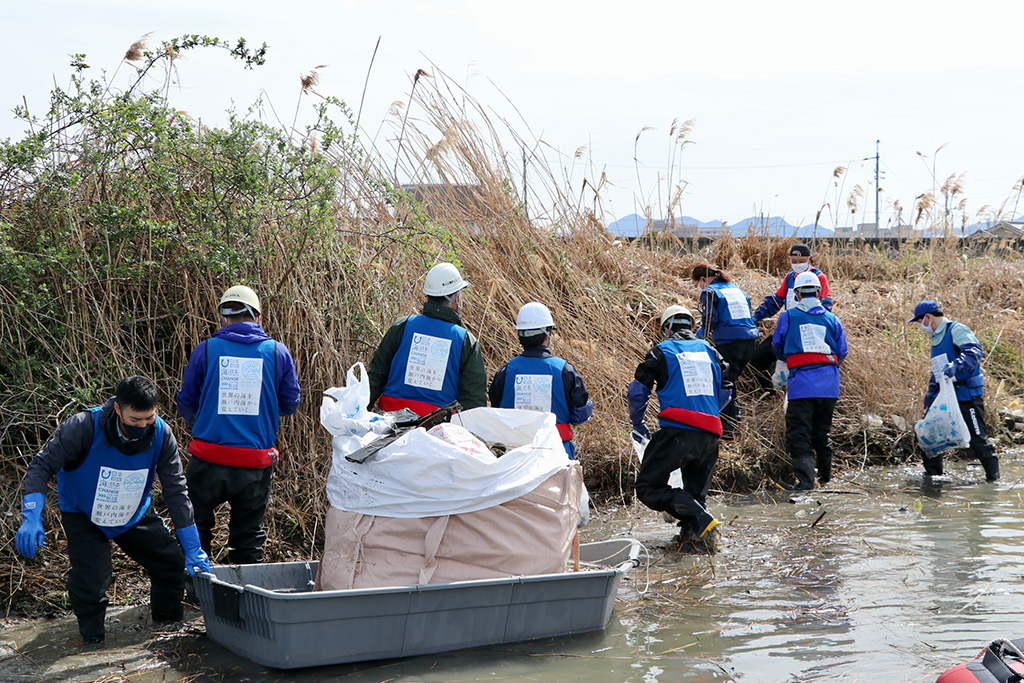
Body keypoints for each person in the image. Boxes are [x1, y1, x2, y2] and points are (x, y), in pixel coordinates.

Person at [15, 376, 209, 645]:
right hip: (83, 513)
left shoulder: (162, 435)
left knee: (170, 564)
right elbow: (41, 466)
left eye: (148, 419)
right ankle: (93, 642)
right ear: (118, 409)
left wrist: (192, 547)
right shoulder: (82, 427)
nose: (142, 426)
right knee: (92, 580)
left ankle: (167, 630)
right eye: (134, 420)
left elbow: (176, 490)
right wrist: (32, 515)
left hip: (132, 512)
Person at [176, 285, 301, 564]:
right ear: (258, 317)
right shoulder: (277, 353)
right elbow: (290, 403)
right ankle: (245, 600)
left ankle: (195, 592)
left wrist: (206, 420)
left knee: (196, 531)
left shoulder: (206, 349)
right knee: (248, 537)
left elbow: (186, 401)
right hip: (254, 465)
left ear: (224, 318)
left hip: (207, 459)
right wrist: (261, 413)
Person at [628, 305, 731, 541]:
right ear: (691, 327)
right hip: (711, 435)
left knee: (647, 487)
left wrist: (637, 421)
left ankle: (699, 517)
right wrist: (709, 413)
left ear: (667, 329)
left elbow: (637, 392)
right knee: (696, 495)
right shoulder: (710, 351)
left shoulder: (661, 351)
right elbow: (727, 391)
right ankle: (696, 544)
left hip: (677, 433)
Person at [368, 262, 487, 415]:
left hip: (390, 420)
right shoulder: (465, 341)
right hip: (437, 426)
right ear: (456, 298)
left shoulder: (402, 326)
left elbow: (376, 377)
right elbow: (474, 401)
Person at [772, 272, 848, 490]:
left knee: (799, 434)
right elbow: (842, 351)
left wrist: (792, 359)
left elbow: (777, 345)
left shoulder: (788, 316)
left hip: (802, 385)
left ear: (797, 294)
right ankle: (826, 480)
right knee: (822, 432)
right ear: (818, 293)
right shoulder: (833, 319)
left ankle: (805, 483)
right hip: (830, 385)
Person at [488, 302, 593, 458]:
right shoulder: (564, 370)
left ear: (520, 336)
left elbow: (497, 409)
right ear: (547, 335)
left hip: (514, 455)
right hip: (556, 454)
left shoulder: (505, 372)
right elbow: (580, 415)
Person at [909, 300, 999, 482]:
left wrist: (956, 365)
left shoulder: (956, 330)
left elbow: (974, 353)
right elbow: (938, 370)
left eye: (920, 322)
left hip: (966, 394)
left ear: (928, 317)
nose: (921, 326)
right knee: (930, 435)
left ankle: (994, 480)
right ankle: (933, 478)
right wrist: (931, 391)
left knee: (977, 439)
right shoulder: (935, 338)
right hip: (945, 395)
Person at [749, 243, 833, 389]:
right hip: (788, 327)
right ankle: (766, 393)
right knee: (757, 359)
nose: (797, 264)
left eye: (801, 261)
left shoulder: (819, 277)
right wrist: (755, 317)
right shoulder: (790, 277)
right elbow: (775, 301)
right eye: (793, 261)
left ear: (810, 259)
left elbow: (825, 306)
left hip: (809, 331)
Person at [691, 264, 759, 439]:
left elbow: (709, 320)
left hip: (730, 342)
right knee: (730, 379)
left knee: (723, 381)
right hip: (750, 341)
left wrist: (697, 337)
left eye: (696, 283)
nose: (698, 288)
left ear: (703, 279)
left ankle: (729, 427)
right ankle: (734, 422)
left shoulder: (710, 292)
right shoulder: (736, 290)